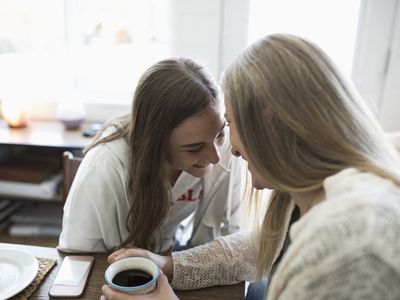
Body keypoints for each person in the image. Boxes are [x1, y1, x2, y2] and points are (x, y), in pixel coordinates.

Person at [101, 34, 400, 300]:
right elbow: (266, 244)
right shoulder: (318, 189)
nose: (230, 149)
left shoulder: (353, 245)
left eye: (229, 124)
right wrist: (169, 264)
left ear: (271, 124)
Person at [58, 58, 244, 255]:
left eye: (220, 134)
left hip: (174, 254)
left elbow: (237, 231)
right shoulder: (103, 168)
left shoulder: (224, 147)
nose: (215, 157)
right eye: (194, 148)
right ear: (156, 142)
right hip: (113, 267)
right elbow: (77, 258)